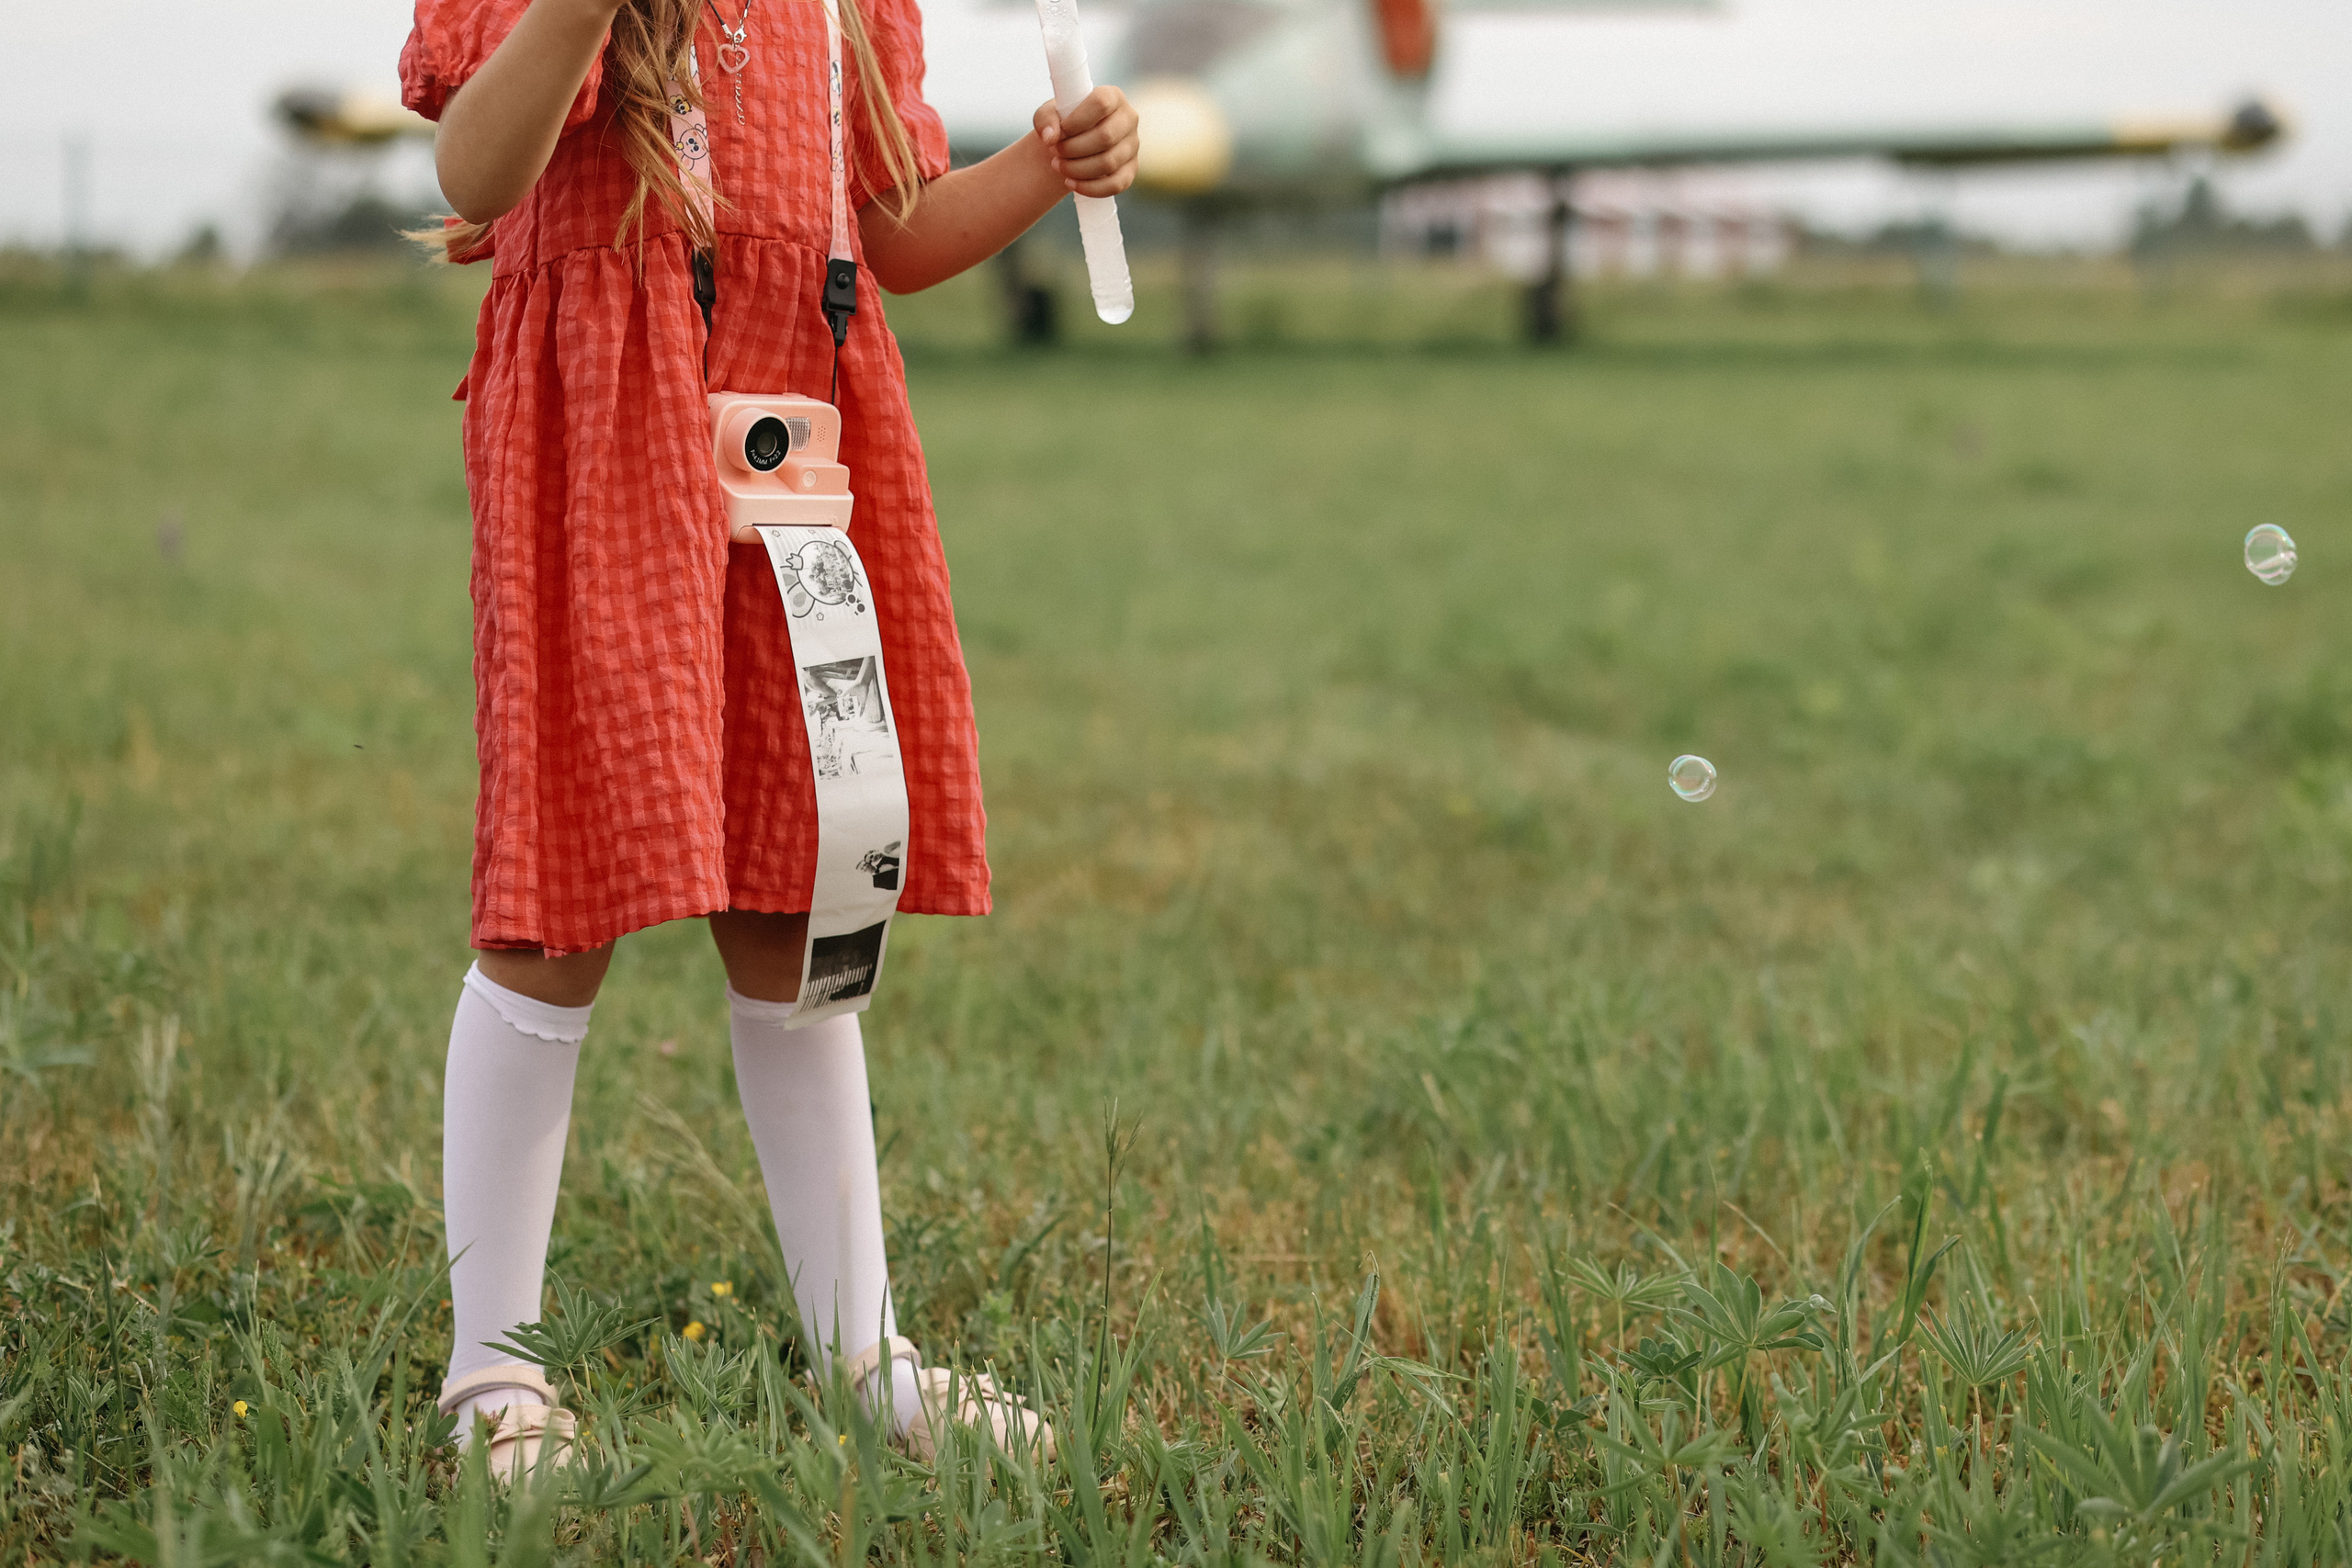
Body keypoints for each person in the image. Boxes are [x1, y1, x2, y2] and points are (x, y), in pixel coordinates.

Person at [398, 0, 1138, 1477]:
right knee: (563, 894)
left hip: (801, 444)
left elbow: (896, 233)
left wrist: (1047, 166)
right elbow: (475, 175)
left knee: (806, 909)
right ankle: (494, 1376)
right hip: (604, 433)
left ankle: (865, 1358)